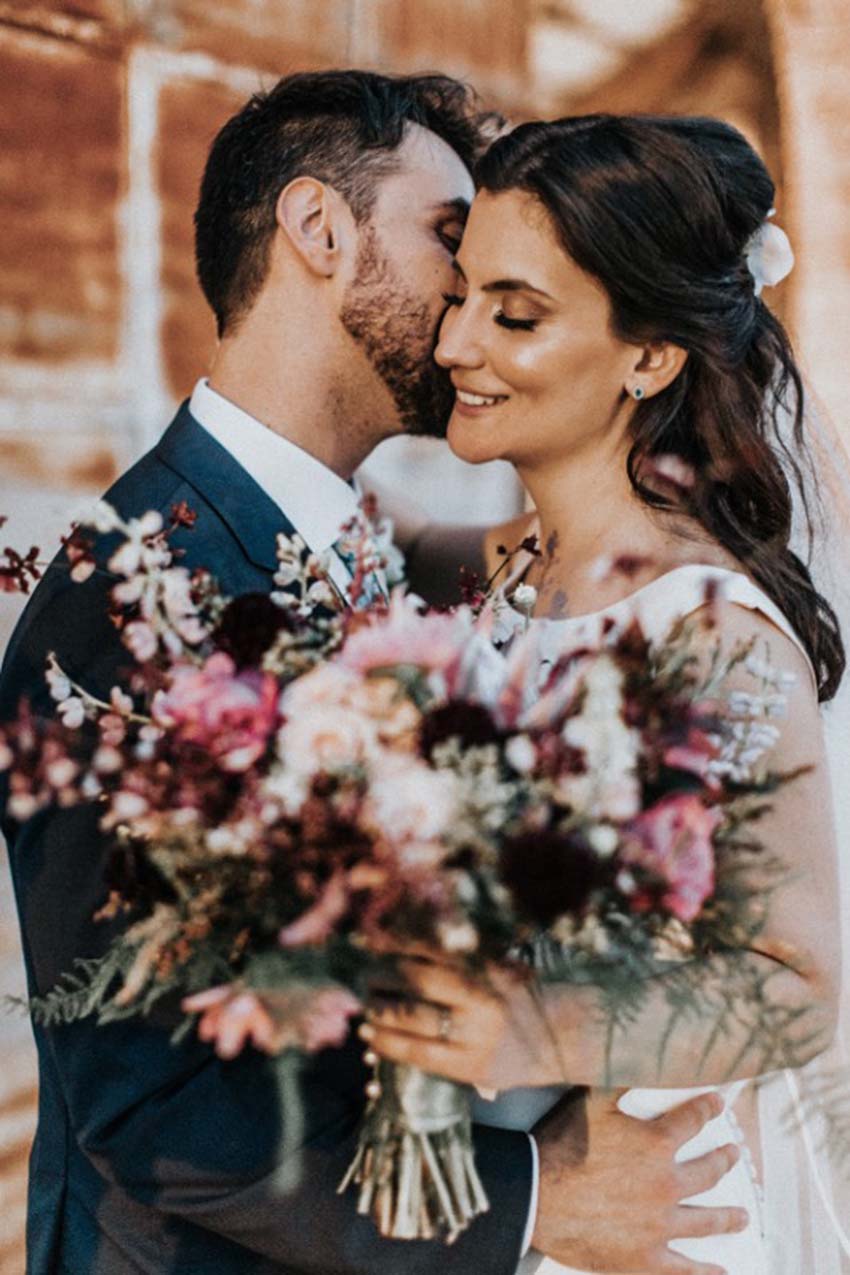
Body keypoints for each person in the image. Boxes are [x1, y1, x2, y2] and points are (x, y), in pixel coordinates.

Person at [0, 76, 746, 1275]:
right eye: (451, 236)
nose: (474, 288)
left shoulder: (360, 545)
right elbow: (151, 1107)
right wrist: (531, 1204)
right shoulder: (130, 602)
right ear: (319, 231)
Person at [364, 113, 849, 1274]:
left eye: (515, 315)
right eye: (464, 291)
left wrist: (534, 1025)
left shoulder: (711, 636)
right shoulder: (522, 559)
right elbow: (381, 541)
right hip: (514, 1178)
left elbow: (798, 990)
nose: (454, 345)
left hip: (652, 1196)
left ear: (649, 357)